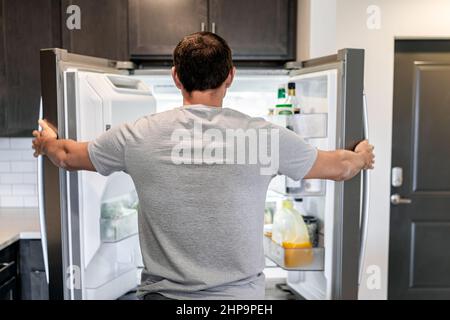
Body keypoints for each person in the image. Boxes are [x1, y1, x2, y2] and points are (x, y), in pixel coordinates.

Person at [32, 32, 374, 300]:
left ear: (176, 77)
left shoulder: (138, 135)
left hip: (164, 297)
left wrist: (45, 140)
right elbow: (339, 167)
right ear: (230, 76)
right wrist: (361, 155)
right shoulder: (265, 137)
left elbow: (65, 155)